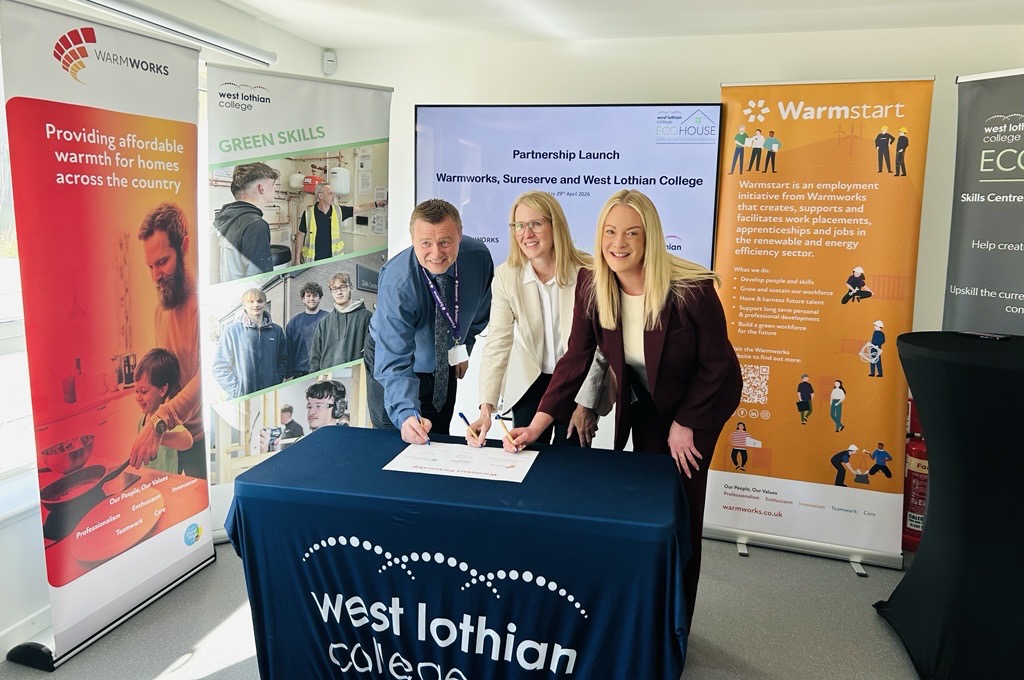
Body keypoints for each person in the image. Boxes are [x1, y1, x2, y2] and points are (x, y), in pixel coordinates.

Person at [505, 189, 741, 630]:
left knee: (681, 505)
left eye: (632, 232)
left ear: (649, 237)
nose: (619, 243)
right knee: (648, 497)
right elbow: (576, 358)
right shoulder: (593, 285)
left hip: (701, 401)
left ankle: (677, 624)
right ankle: (647, 607)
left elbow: (716, 366)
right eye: (610, 232)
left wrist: (686, 423)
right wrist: (537, 424)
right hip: (650, 398)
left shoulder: (692, 290)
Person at [467, 191, 609, 448]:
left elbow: (601, 346)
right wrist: (485, 409)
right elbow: (498, 342)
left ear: (556, 225)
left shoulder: (589, 273)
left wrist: (586, 403)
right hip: (529, 382)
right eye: (519, 225)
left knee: (569, 464)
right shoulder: (506, 276)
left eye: (536, 224)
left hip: (576, 383)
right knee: (527, 458)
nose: (526, 233)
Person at [365, 199, 494, 443]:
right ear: (412, 240)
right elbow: (394, 360)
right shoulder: (397, 282)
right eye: (425, 243)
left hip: (443, 357)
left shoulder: (478, 258)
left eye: (445, 242)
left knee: (437, 434)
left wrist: (461, 346)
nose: (436, 253)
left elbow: (479, 313)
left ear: (460, 234)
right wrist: (406, 413)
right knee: (400, 435)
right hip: (392, 357)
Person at [131, 203, 205, 477]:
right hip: (173, 437)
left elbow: (205, 378)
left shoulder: (203, 307)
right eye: (150, 266)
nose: (155, 275)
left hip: (200, 444)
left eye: (162, 262)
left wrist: (160, 421)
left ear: (184, 247)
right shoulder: (160, 311)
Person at [212, 288, 287, 399]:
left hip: (270, 395)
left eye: (260, 301)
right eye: (251, 301)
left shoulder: (276, 331)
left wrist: (276, 380)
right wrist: (237, 390)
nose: (256, 305)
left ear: (265, 304)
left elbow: (283, 360)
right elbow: (220, 367)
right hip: (243, 397)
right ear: (244, 305)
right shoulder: (232, 331)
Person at [214, 162, 280, 281]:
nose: (276, 187)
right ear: (262, 188)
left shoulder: (223, 218)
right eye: (273, 183)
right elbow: (259, 281)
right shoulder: (256, 225)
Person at [133, 348, 193, 475]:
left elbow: (187, 440)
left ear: (162, 390)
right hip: (149, 482)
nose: (138, 397)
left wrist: (157, 436)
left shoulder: (165, 422)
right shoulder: (141, 421)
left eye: (144, 391)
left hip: (168, 484)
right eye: (136, 391)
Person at [298, 183, 386, 263]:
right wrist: (297, 260)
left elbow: (359, 208)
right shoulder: (308, 213)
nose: (334, 196)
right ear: (320, 196)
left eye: (333, 193)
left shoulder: (338, 211)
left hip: (334, 260)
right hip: (312, 261)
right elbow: (300, 236)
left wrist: (376, 204)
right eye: (330, 193)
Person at [309, 272, 372, 371]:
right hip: (328, 377)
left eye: (343, 287)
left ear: (351, 288)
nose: (339, 292)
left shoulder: (366, 317)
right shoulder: (324, 322)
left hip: (355, 376)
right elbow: (315, 356)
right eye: (334, 289)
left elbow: (371, 354)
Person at [285, 281, 329, 378]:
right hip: (299, 374)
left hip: (322, 371)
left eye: (315, 295)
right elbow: (289, 350)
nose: (312, 298)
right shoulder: (293, 323)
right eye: (308, 295)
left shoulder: (328, 319)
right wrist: (289, 375)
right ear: (303, 299)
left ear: (320, 298)